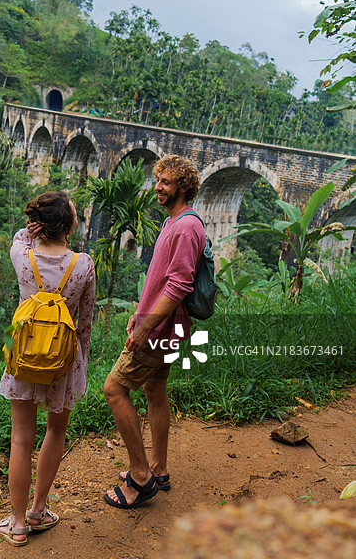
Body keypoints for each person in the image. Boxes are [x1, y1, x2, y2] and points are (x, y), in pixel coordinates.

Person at [103, 155, 205, 509]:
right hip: (163, 325)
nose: (157, 187)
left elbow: (178, 286)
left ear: (183, 186)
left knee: (114, 389)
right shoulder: (172, 222)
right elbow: (159, 280)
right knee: (154, 388)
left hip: (161, 329)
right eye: (157, 179)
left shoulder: (186, 227)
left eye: (165, 182)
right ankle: (158, 469)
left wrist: (145, 327)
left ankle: (141, 476)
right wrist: (138, 312)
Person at [0, 191, 95, 545]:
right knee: (55, 431)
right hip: (63, 361)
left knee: (21, 440)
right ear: (67, 226)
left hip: (23, 355)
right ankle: (39, 509)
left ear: (39, 225)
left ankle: (18, 523)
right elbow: (85, 322)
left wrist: (29, 233)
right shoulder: (83, 264)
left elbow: (19, 238)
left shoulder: (22, 256)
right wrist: (77, 362)